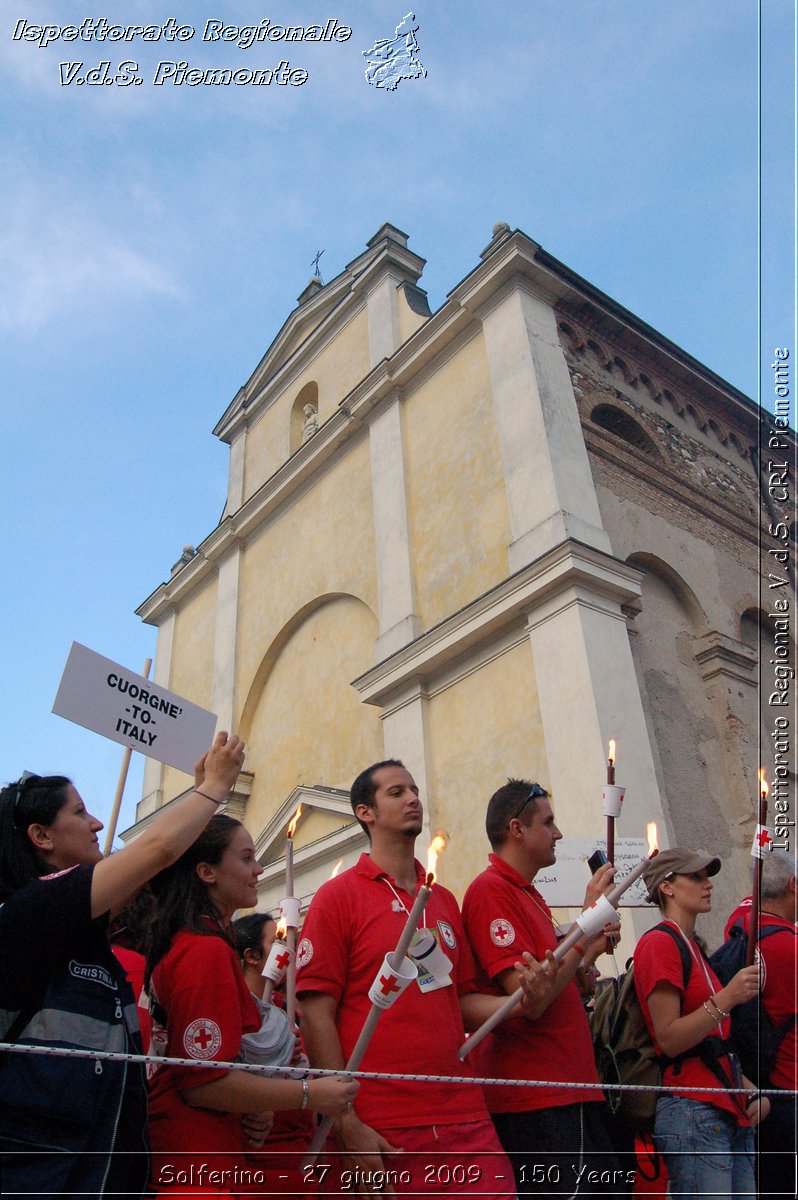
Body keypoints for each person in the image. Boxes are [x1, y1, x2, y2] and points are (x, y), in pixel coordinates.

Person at [0, 730, 245, 1198]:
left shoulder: (88, 941)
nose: (96, 823)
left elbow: (156, 863)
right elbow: (155, 852)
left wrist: (200, 797)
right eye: (78, 812)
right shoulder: (30, 912)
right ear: (41, 836)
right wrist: (212, 790)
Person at [296, 759, 547, 1197]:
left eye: (414, 789)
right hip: (384, 1122)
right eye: (396, 792)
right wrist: (346, 1121)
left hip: (464, 1115)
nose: (413, 798)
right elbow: (316, 1013)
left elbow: (460, 1000)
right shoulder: (338, 898)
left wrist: (523, 1000)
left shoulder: (443, 900)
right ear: (365, 813)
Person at [144, 813, 358, 1196]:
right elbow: (202, 1082)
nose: (259, 869)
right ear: (207, 872)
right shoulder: (202, 951)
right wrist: (311, 1093)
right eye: (246, 859)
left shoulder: (203, 945)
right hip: (199, 1158)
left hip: (215, 1149)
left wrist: (252, 1104)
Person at [462, 778, 623, 1195]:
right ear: (517, 829)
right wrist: (585, 929)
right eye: (548, 823)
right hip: (537, 1097)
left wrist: (585, 960)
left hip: (572, 1087)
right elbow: (528, 997)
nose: (558, 833)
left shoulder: (530, 895)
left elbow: (556, 983)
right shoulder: (490, 891)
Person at [634, 847, 768, 1199]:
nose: (707, 884)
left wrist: (749, 1088)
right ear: (667, 887)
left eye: (706, 876)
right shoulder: (660, 944)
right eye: (695, 877)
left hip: (723, 1107)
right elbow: (670, 1038)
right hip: (693, 1110)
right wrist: (728, 997)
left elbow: (712, 1042)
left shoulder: (692, 946)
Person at [725, 849, 797, 1199]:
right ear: (792, 886)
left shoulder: (738, 925)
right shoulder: (788, 947)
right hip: (788, 1094)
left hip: (758, 1090)